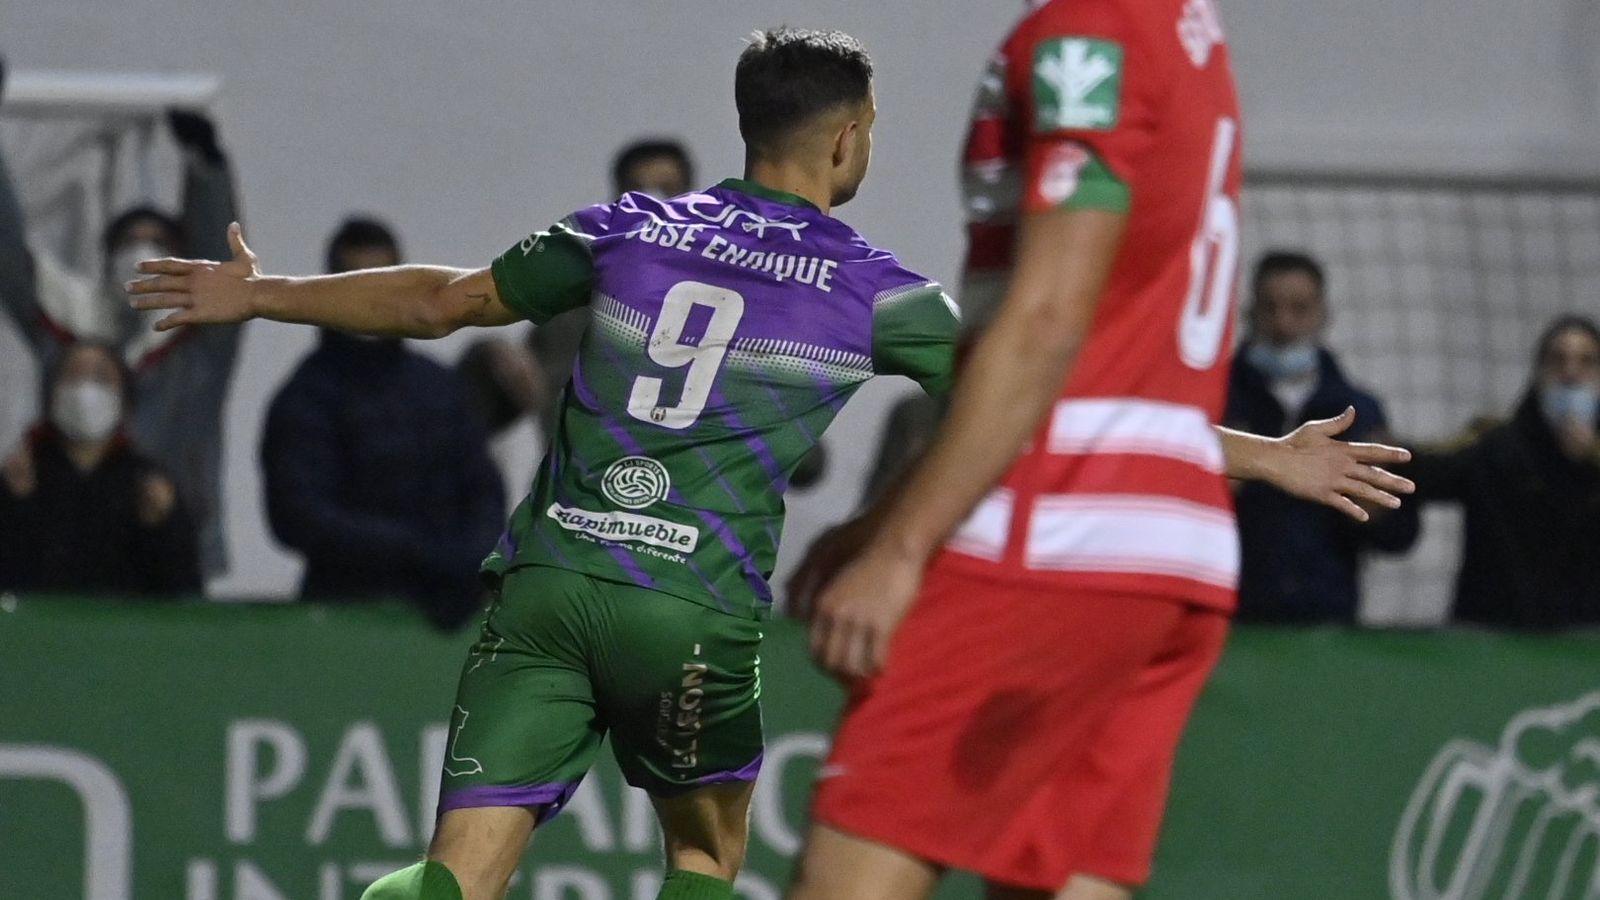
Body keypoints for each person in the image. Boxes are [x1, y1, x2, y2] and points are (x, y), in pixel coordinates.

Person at [130, 27, 1402, 900]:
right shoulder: (872, 292)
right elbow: (1059, 405)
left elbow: (442, 301)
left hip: (547, 588)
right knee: (704, 854)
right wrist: (1260, 456)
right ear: (848, 139)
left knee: (459, 873)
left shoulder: (629, 224)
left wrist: (265, 293)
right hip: (691, 610)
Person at [784, 4, 1412, 900]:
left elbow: (1047, 325)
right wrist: (885, 516)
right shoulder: (1191, 37)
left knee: (848, 875)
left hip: (1053, 538)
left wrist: (899, 547)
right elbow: (1122, 376)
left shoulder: (1090, 31)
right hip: (1170, 552)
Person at [0, 66, 243, 581]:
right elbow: (11, 264)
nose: (140, 253)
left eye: (155, 241)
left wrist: (206, 171)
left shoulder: (196, 344)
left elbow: (226, 275)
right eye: (127, 242)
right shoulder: (68, 330)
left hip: (177, 555)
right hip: (59, 556)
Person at [259, 218, 506, 630]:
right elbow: (299, 515)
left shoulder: (440, 387)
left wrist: (470, 559)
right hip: (347, 614)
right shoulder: (306, 397)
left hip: (450, 611)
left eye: (387, 282)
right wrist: (415, 552)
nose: (374, 298)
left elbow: (482, 485)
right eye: (357, 282)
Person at [1225, 251, 1418, 623]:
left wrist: (1375, 510)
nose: (1283, 324)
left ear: (1323, 314)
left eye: (1299, 308)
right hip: (1235, 618)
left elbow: (1399, 534)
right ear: (1251, 313)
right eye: (1271, 308)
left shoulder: (1359, 411)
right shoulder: (1216, 402)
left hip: (1327, 623)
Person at [1407, 314, 1600, 629]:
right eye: (1558, 360)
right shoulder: (1495, 449)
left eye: (1586, 361)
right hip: (1494, 643)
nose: (1571, 373)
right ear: (1538, 375)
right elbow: (1424, 468)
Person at [0, 341, 200, 595]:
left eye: (100, 377)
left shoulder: (146, 480)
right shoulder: (22, 475)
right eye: (73, 375)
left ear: (124, 400)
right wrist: (17, 506)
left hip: (123, 631)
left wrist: (161, 528)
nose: (85, 389)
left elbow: (184, 592)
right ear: (51, 396)